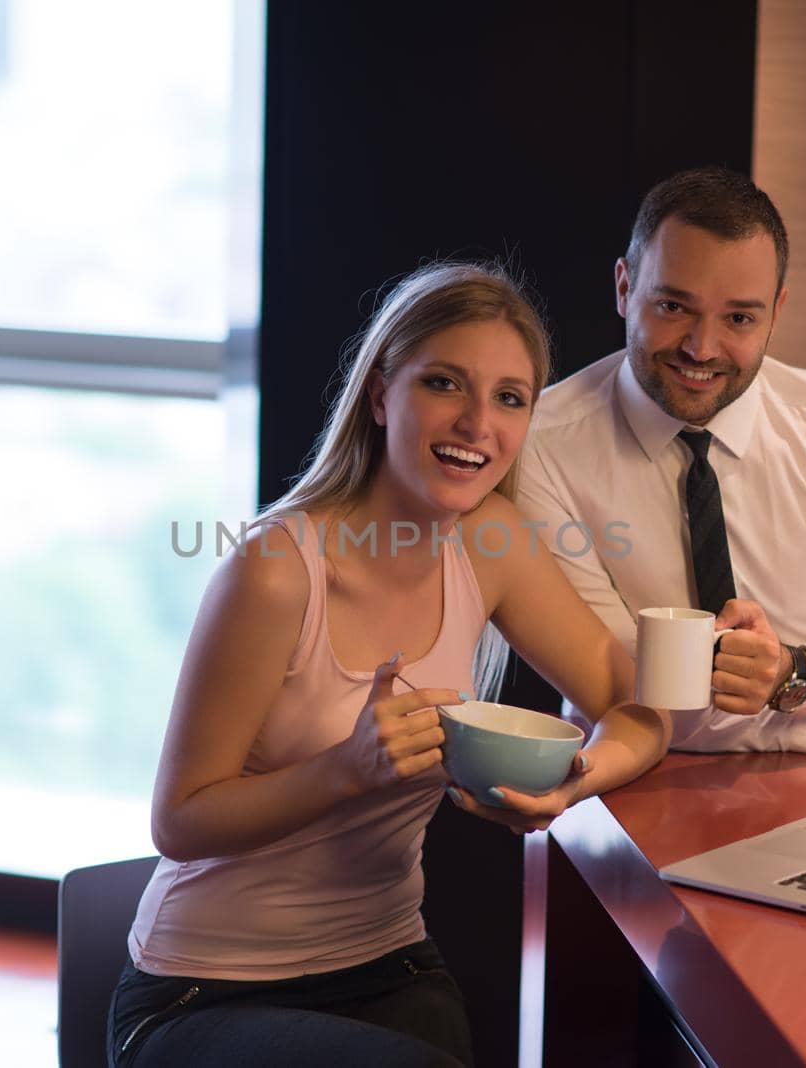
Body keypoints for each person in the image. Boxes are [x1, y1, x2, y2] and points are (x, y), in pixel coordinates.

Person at [109, 262, 670, 1067]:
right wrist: (348, 768)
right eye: (446, 384)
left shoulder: (493, 540)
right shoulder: (275, 568)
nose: (479, 423)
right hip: (204, 991)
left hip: (389, 961)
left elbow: (636, 707)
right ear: (381, 395)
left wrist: (576, 779)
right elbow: (180, 819)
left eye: (510, 398)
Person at [515, 166, 806, 801]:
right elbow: (641, 697)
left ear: (776, 312)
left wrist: (798, 670)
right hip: (622, 794)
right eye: (674, 306)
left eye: (738, 318)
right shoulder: (538, 445)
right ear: (625, 288)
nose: (702, 348)